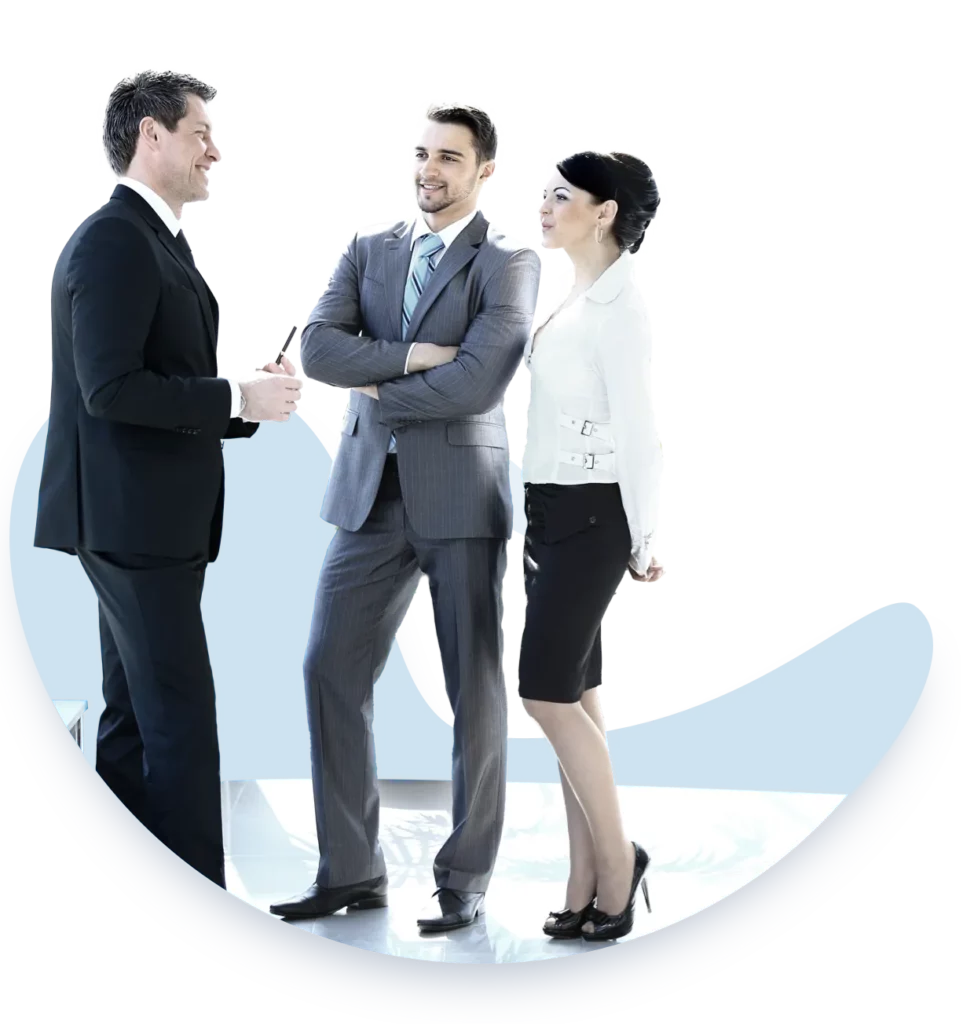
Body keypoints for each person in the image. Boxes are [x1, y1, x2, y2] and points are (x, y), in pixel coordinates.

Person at [267, 101, 541, 931]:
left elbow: (480, 383)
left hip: (461, 496)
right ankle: (351, 870)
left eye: (450, 158)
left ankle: (465, 877)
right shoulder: (367, 247)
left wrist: (375, 381)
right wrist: (413, 358)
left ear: (485, 168)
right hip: (366, 496)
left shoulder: (507, 262)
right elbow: (316, 349)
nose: (431, 170)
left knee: (474, 688)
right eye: (423, 153)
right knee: (327, 669)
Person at [34, 69, 302, 888]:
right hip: (131, 523)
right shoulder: (117, 238)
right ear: (150, 136)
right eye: (200, 133)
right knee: (180, 723)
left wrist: (239, 399)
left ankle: (135, 878)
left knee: (131, 722)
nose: (212, 150)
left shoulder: (152, 238)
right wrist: (233, 395)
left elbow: (153, 373)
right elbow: (108, 388)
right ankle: (199, 910)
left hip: (143, 520)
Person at [519, 150, 663, 941]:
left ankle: (618, 862)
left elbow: (640, 436)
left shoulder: (621, 309)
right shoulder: (566, 297)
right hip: (550, 514)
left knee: (544, 696)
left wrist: (646, 540)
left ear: (604, 212)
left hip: (595, 519)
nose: (544, 207)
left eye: (561, 197)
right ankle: (582, 879)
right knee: (577, 701)